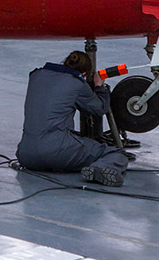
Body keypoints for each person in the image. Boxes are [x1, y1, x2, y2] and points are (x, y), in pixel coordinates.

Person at [16, 50, 131, 186]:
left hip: (26, 155)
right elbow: (99, 108)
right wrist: (99, 86)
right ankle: (100, 168)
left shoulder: (36, 75)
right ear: (84, 74)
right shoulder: (77, 84)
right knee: (116, 153)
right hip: (56, 152)